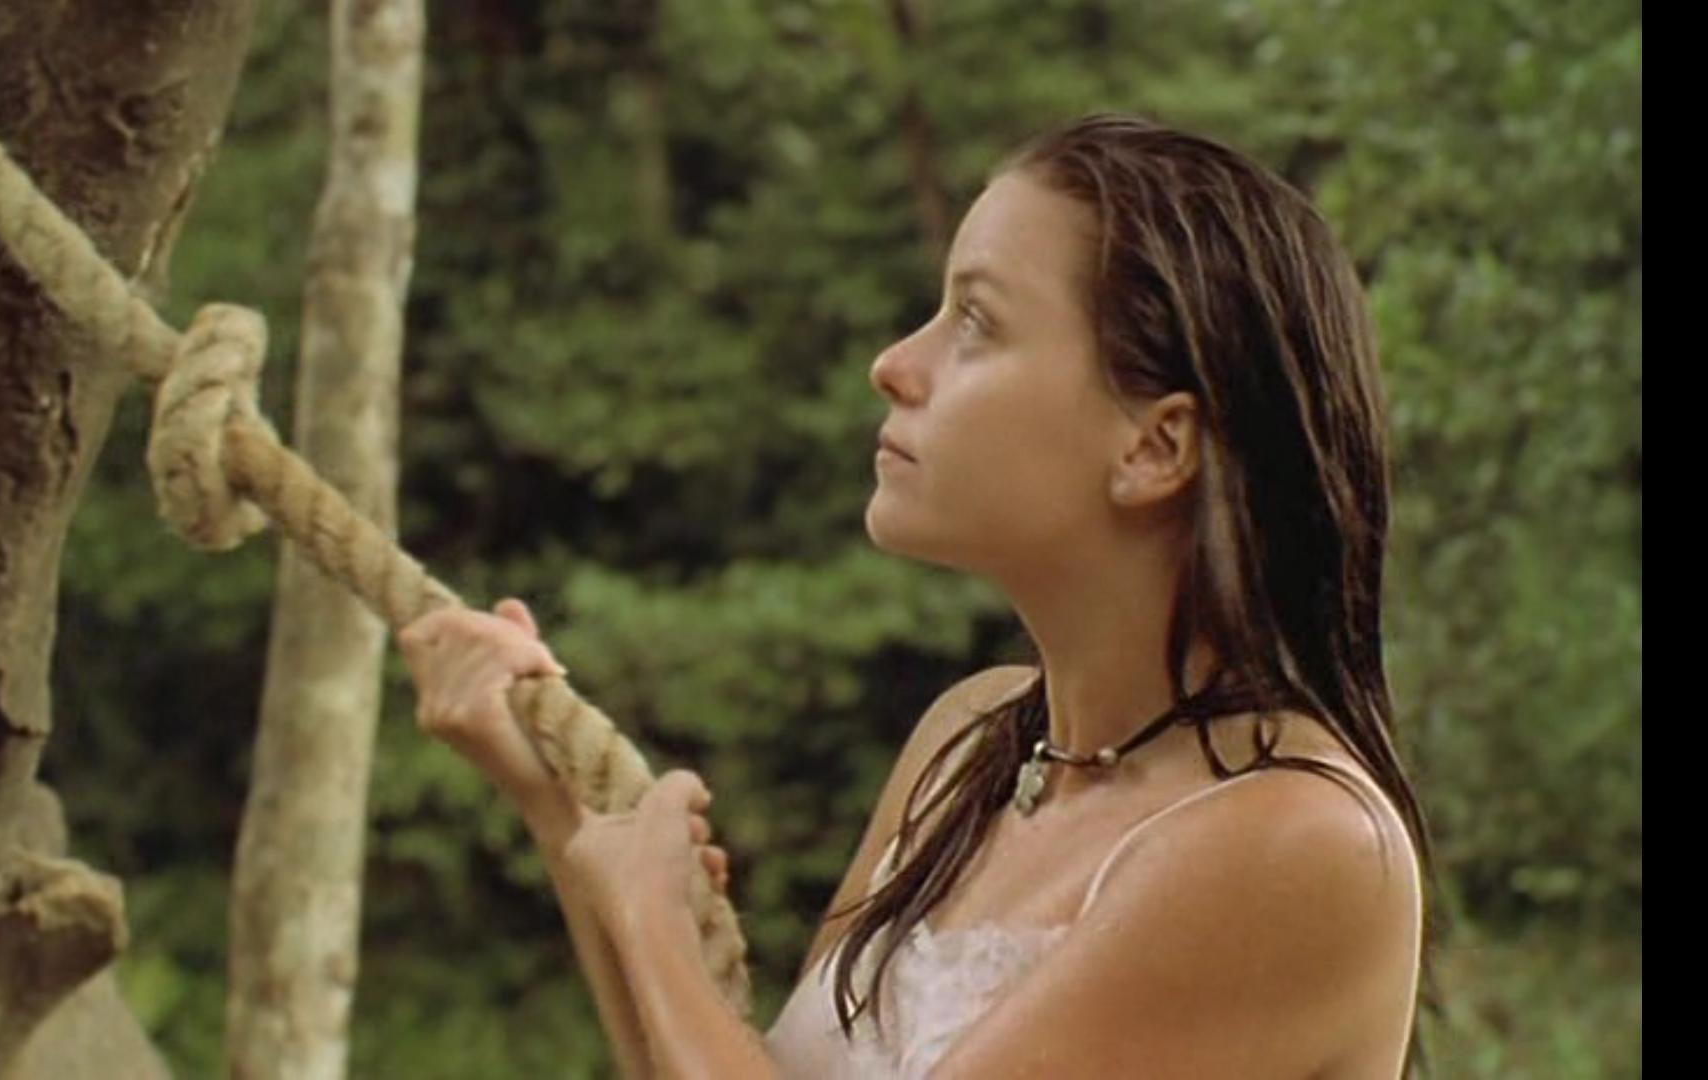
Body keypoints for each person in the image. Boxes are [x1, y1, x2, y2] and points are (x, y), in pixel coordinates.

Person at [397, 113, 1429, 1078]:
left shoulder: (1299, 842)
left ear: (1155, 447)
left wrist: (653, 923)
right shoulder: (970, 747)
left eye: (975, 321)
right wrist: (567, 816)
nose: (893, 365)